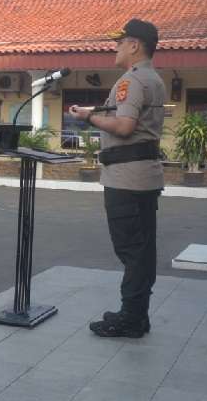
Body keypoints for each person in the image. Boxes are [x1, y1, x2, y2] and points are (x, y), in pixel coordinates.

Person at [69, 19, 165, 338]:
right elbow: (127, 116)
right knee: (141, 249)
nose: (116, 48)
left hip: (127, 178)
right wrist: (95, 111)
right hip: (142, 175)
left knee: (132, 250)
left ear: (134, 45)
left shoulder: (132, 80)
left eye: (120, 42)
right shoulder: (152, 78)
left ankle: (131, 318)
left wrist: (89, 118)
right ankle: (137, 313)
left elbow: (124, 126)